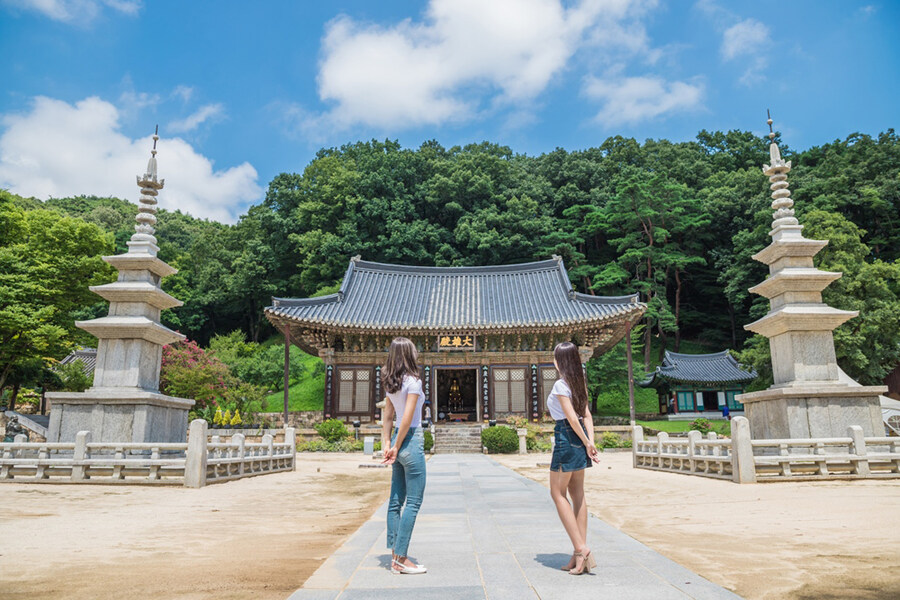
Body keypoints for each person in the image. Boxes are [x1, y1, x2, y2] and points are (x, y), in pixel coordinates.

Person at [547, 341, 600, 575]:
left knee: (557, 493)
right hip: (581, 438)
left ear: (560, 362)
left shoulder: (560, 385)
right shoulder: (579, 384)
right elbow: (586, 415)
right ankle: (578, 554)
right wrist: (590, 441)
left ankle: (581, 549)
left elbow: (571, 418)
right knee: (578, 494)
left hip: (566, 437)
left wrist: (587, 441)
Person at [380, 337, 428, 575]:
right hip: (410, 440)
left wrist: (387, 444)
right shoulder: (414, 382)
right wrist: (397, 446)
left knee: (395, 501)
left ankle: (394, 555)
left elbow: (388, 417)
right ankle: (401, 558)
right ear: (410, 355)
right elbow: (408, 418)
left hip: (397, 442)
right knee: (414, 502)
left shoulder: (391, 383)